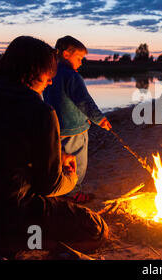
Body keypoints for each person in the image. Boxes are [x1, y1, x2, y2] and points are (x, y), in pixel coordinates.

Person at [0, 36, 108, 254]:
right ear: (31, 71)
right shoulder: (40, 111)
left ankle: (4, 239)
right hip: (10, 212)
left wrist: (57, 155)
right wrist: (71, 178)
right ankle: (23, 243)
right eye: (49, 74)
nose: (50, 81)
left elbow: (0, 149)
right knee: (96, 228)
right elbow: (49, 186)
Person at [43, 36, 112, 203]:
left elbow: (64, 102)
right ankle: (73, 193)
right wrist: (99, 119)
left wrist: (84, 118)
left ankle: (60, 190)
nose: (81, 63)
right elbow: (83, 101)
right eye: (79, 58)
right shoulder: (72, 76)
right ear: (66, 54)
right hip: (74, 130)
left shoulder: (50, 75)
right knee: (77, 164)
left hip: (57, 128)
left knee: (61, 161)